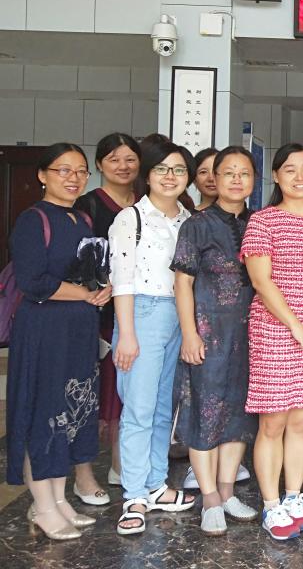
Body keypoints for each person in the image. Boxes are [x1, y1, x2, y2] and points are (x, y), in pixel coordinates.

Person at [6, 143, 109, 541]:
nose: (74, 178)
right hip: (44, 332)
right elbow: (33, 282)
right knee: (44, 413)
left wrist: (102, 289)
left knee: (70, 414)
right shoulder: (33, 220)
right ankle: (43, 505)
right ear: (42, 175)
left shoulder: (81, 219)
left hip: (78, 331)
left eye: (80, 171)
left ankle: (58, 498)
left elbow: (91, 271)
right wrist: (84, 293)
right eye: (63, 170)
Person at [241, 143, 303, 541]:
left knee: (301, 420)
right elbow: (260, 281)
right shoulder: (263, 221)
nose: (300, 177)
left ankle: (294, 497)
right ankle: (271, 505)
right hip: (274, 332)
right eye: (290, 169)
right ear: (276, 176)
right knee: (273, 422)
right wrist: (294, 325)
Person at [110, 139, 197, 535]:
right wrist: (127, 335)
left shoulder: (188, 219)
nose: (170, 176)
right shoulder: (130, 218)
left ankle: (157, 484)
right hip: (142, 315)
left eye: (178, 170)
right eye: (161, 169)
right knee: (139, 409)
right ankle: (133, 495)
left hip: (179, 317)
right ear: (147, 175)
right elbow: (122, 281)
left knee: (165, 408)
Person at [172, 146, 260, 535]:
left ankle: (227, 492)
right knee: (205, 411)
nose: (237, 180)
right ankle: (208, 497)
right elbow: (182, 283)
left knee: (239, 413)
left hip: (251, 332)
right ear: (214, 178)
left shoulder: (258, 222)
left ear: (254, 180)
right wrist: (190, 333)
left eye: (244, 173)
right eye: (229, 173)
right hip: (208, 331)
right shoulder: (197, 225)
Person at [72, 132, 140, 505]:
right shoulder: (87, 206)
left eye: (130, 159)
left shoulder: (147, 201)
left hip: (139, 312)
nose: (123, 166)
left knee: (128, 392)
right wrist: (102, 285)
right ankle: (84, 474)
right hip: (97, 313)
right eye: (113, 159)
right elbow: (78, 259)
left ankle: (120, 464)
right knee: (93, 393)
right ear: (99, 165)